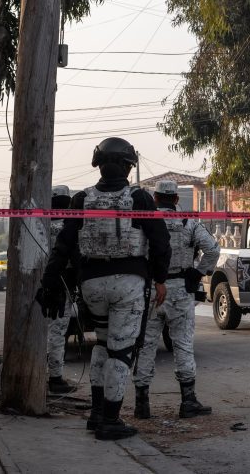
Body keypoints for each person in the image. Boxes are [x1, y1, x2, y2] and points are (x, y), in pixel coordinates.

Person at [36, 137, 170, 441]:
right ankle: (110, 420)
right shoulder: (140, 199)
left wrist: (50, 281)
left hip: (91, 285)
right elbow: (161, 243)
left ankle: (97, 414)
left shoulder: (81, 199)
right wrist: (160, 279)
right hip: (129, 284)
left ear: (99, 165)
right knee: (121, 352)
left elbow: (63, 246)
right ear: (127, 166)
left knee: (102, 344)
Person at [133, 180, 219, 420]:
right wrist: (198, 273)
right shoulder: (189, 223)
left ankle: (142, 404)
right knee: (182, 344)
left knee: (146, 345)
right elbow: (213, 249)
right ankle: (188, 401)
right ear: (176, 200)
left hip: (150, 289)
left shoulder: (145, 223)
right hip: (181, 290)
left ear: (156, 198)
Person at [46, 185, 76, 394]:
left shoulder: (38, 222)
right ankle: (55, 378)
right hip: (62, 284)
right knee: (57, 333)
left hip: (38, 282)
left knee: (40, 331)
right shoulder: (71, 226)